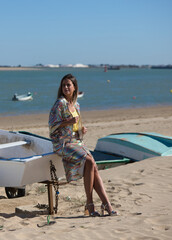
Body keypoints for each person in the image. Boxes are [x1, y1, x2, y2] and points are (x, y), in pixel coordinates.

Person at [48, 73, 117, 217]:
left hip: (77, 141)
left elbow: (76, 127)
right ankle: (90, 204)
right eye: (64, 85)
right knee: (90, 161)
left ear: (74, 88)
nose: (66, 87)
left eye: (69, 85)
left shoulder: (77, 105)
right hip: (63, 143)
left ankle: (106, 204)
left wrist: (81, 130)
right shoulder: (59, 104)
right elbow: (52, 127)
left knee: (93, 165)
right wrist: (67, 122)